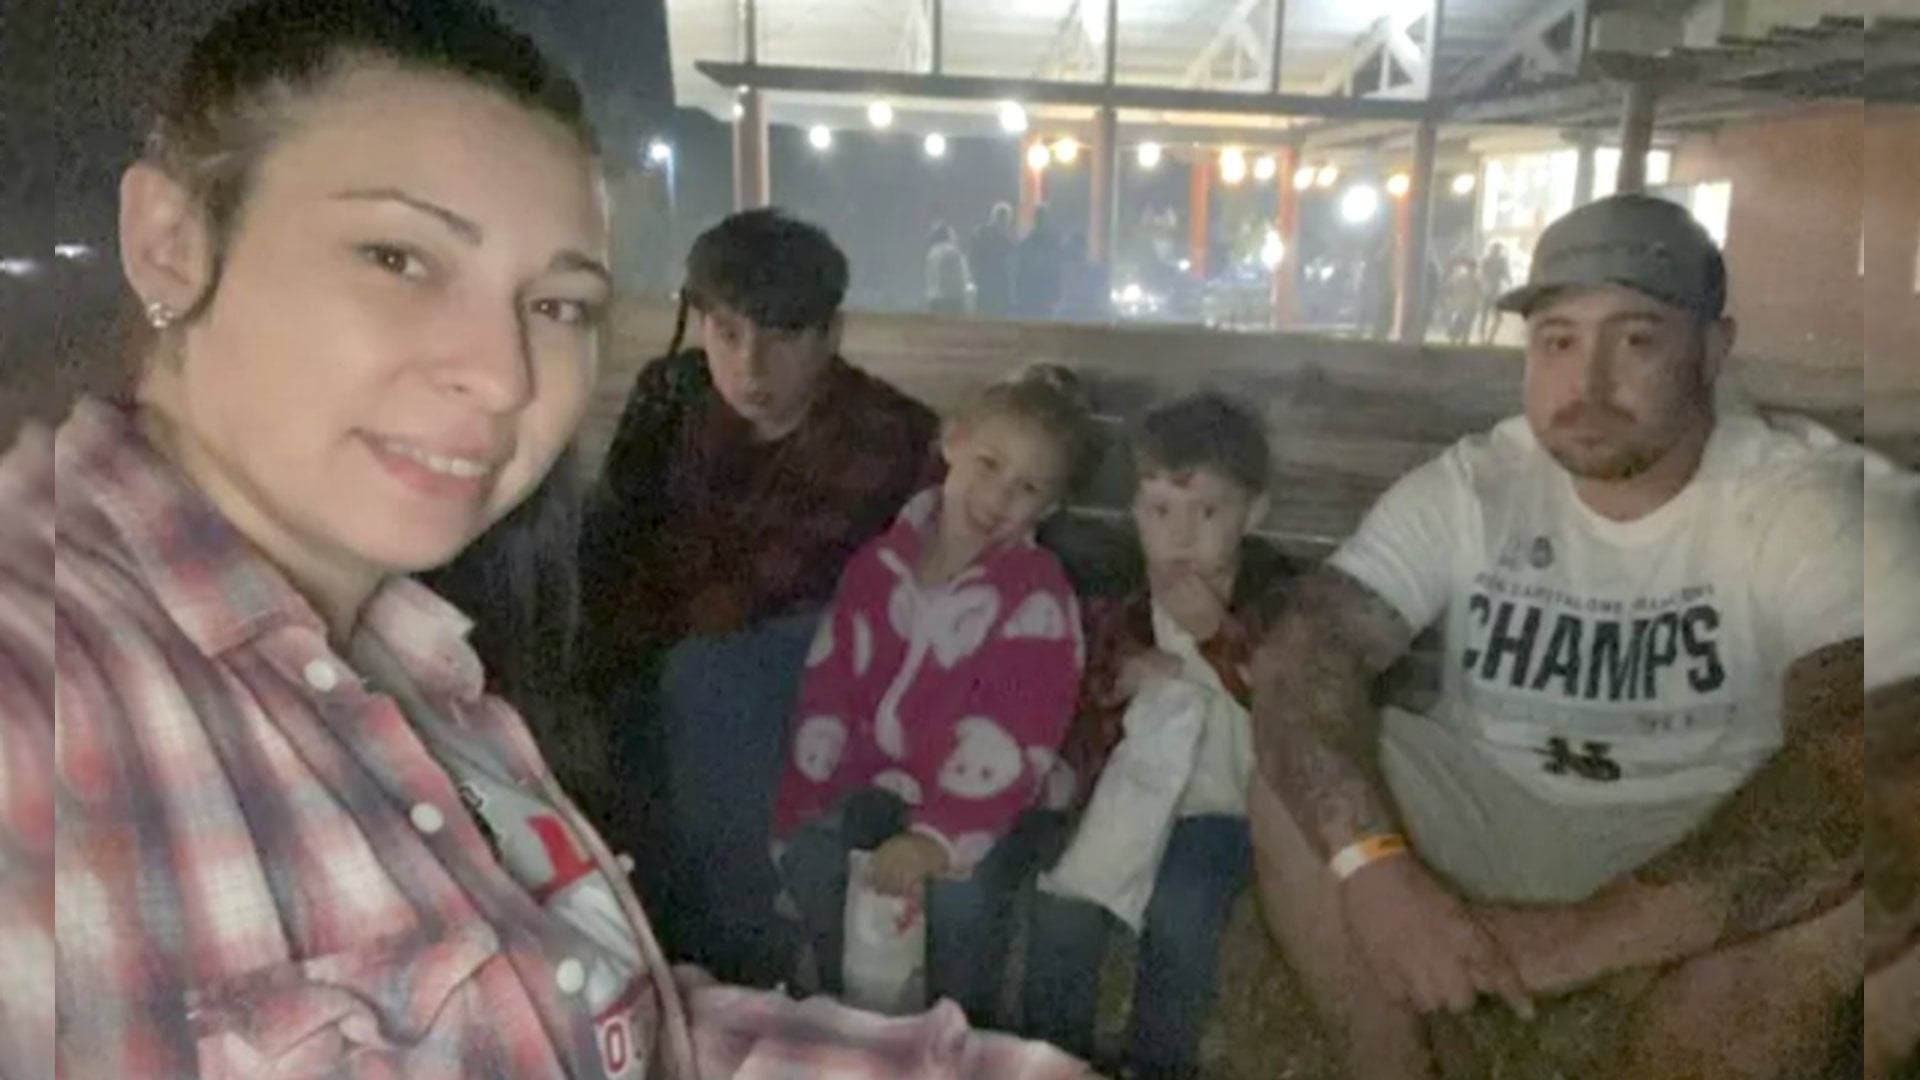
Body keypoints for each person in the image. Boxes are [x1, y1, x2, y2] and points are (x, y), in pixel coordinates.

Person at [0, 3, 1089, 1077]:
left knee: (711, 680)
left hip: (831, 702)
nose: (502, 374)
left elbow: (604, 1028)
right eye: (398, 257)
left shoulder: (415, 664)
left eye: (558, 305)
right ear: (170, 244)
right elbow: (620, 543)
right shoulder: (59, 685)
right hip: (719, 680)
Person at [1250, 194, 1873, 1079]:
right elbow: (1305, 654)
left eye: (1637, 339)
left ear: (1714, 350)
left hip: (1704, 819)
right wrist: (1374, 868)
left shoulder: (1794, 498)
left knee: (1856, 876)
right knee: (1299, 783)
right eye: (1558, 342)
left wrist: (1580, 940)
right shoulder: (1479, 484)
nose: (1589, 385)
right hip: (1501, 805)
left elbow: (1861, 742)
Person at [578, 208, 939, 987]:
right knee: (620, 685)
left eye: (783, 336)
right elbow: (614, 538)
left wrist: (649, 609)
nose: (750, 364)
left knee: (707, 678)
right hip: (685, 647)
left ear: (831, 335)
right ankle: (648, 948)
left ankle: (741, 956)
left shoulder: (881, 430)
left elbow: (759, 589)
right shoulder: (672, 394)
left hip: (832, 671)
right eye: (727, 331)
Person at [773, 367, 1100, 1025]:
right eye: (989, 464)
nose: (998, 496)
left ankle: (958, 1035)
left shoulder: (1037, 595)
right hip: (881, 779)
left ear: (1049, 507)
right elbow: (828, 690)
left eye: (1027, 488)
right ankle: (851, 1018)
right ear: (952, 442)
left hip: (995, 799)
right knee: (814, 856)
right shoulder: (877, 566)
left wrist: (936, 841)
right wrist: (805, 802)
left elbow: (1017, 734)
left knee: (960, 897)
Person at [1021, 393, 1295, 1079]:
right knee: (1065, 902)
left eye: (1208, 512)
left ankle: (1158, 1063)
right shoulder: (1120, 591)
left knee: (1182, 908)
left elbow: (1297, 698)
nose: (1180, 535)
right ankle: (1051, 1057)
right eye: (1160, 511)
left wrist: (1214, 635)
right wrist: (1122, 676)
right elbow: (1077, 684)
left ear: (1254, 513)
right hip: (1128, 791)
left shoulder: (1277, 595)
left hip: (1229, 807)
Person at [1015, 206, 1066, 321]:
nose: (1041, 221)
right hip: (1032, 291)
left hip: (1044, 291)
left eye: (1043, 219)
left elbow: (1057, 268)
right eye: (1039, 219)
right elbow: (1021, 269)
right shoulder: (1028, 243)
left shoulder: (1052, 242)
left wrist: (1057, 290)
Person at [968, 203, 1017, 319]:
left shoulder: (980, 233)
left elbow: (972, 258)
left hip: (987, 286)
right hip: (994, 288)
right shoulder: (1004, 240)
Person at [926, 222, 972, 316]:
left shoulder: (932, 252)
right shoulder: (953, 252)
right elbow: (961, 276)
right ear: (949, 235)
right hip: (951, 299)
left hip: (934, 298)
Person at [1477, 240, 1513, 343]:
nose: (1497, 251)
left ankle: (1487, 338)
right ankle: (1486, 338)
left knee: (1489, 317)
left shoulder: (1491, 260)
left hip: (1490, 291)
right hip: (1490, 291)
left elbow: (1506, 275)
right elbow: (1506, 275)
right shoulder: (1491, 260)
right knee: (1490, 317)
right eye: (1497, 249)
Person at [1440, 258, 1481, 346]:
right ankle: (1463, 338)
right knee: (1467, 322)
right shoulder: (1474, 277)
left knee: (1458, 320)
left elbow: (1448, 286)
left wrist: (1448, 297)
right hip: (1468, 303)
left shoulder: (1458, 275)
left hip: (1459, 302)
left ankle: (1456, 338)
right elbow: (1479, 290)